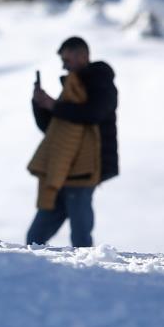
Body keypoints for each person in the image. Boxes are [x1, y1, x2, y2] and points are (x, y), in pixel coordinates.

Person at [26, 36, 118, 247]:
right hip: (62, 169)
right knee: (35, 238)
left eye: (67, 59)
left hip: (85, 170)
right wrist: (40, 104)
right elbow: (53, 128)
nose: (64, 65)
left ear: (83, 56)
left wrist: (53, 105)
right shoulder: (73, 87)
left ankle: (88, 274)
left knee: (80, 239)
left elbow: (93, 114)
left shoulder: (99, 81)